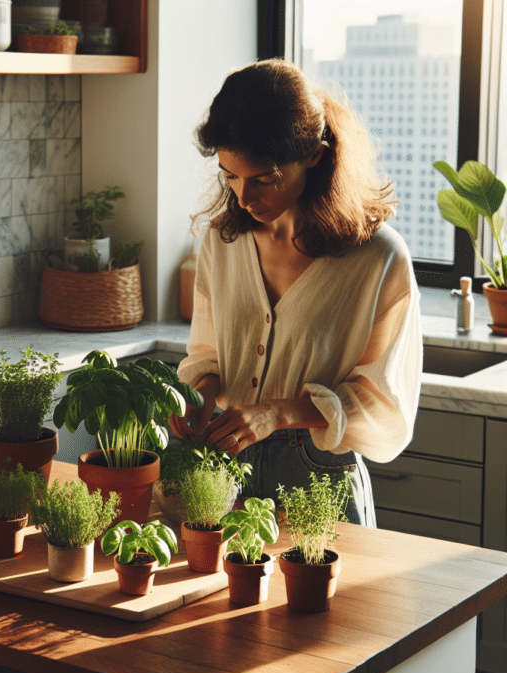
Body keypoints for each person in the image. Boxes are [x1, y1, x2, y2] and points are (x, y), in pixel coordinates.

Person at [170, 59, 422, 526]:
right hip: (227, 468)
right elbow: (208, 356)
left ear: (314, 155)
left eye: (264, 178)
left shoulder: (378, 259)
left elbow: (382, 406)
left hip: (319, 475)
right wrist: (202, 397)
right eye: (230, 175)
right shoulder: (221, 243)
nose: (244, 197)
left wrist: (276, 414)